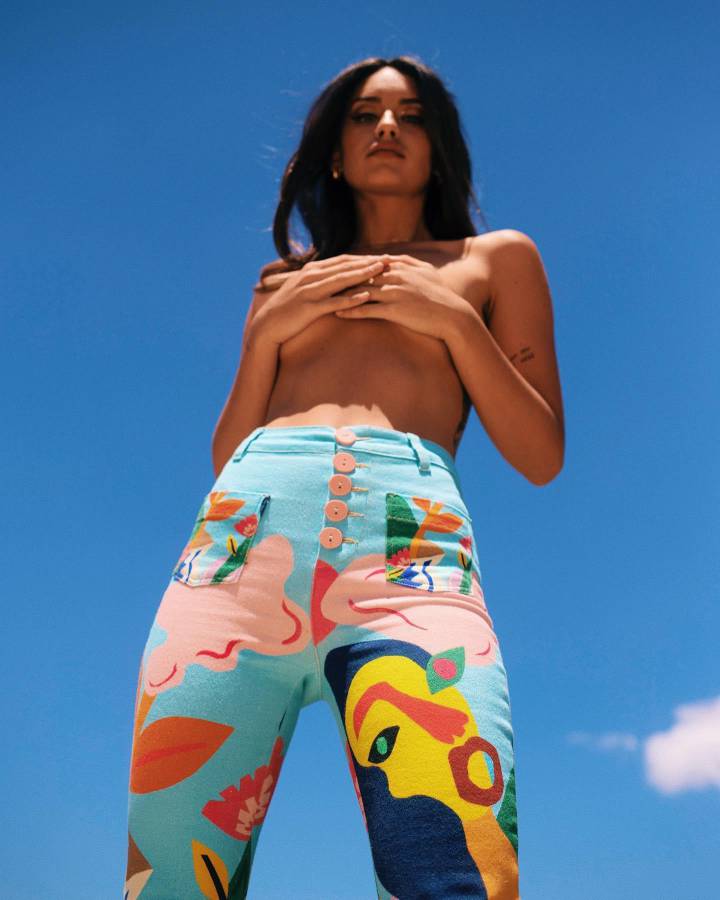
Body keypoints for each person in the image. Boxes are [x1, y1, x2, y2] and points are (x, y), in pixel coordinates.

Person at [124, 54, 564, 900]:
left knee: (459, 872)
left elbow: (541, 454)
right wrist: (268, 332)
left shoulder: (494, 260)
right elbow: (228, 454)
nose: (388, 126)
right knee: (171, 879)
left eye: (411, 115)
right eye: (365, 114)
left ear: (439, 147)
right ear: (334, 150)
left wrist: (454, 321)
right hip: (237, 550)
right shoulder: (282, 283)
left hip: (410, 553)